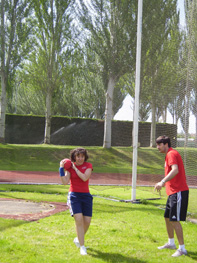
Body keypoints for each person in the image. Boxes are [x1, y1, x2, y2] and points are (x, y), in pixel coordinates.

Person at [154, 135, 189, 257]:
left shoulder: (171, 154)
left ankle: (182, 249)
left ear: (166, 144)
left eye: (159, 145)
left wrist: (162, 182)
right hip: (172, 192)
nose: (157, 147)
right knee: (167, 218)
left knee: (174, 219)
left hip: (179, 191)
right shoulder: (168, 154)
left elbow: (175, 170)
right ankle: (171, 243)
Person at [59, 148, 93, 256]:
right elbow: (65, 182)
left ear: (84, 157)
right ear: (74, 157)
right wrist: (61, 168)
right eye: (78, 156)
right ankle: (82, 247)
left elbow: (84, 178)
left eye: (82, 156)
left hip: (86, 196)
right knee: (78, 219)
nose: (80, 158)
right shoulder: (69, 168)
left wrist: (75, 168)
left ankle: (78, 239)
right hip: (74, 196)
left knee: (87, 222)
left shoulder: (88, 166)